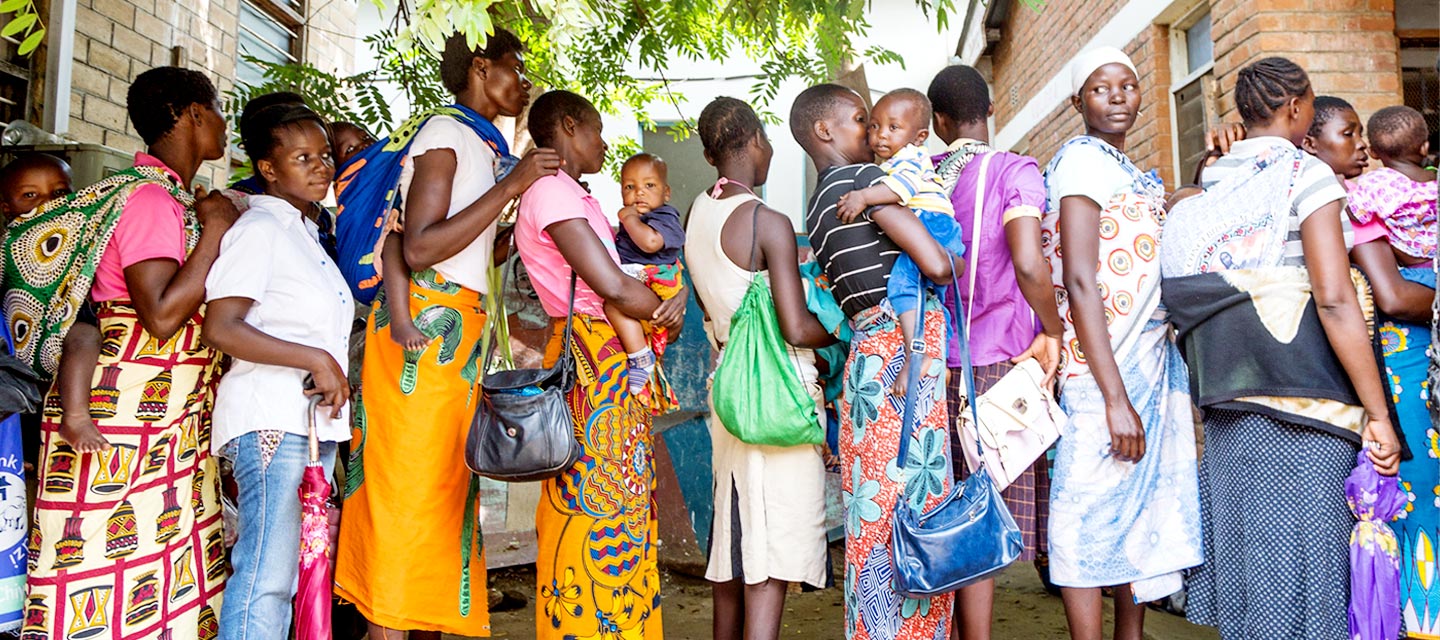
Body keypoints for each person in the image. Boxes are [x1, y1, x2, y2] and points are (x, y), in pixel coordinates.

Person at [1163, 57, 1402, 640]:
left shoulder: (1205, 188)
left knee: (1252, 573)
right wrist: (1378, 414)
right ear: (1296, 109)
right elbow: (1335, 298)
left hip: (1225, 407)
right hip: (1305, 408)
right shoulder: (1306, 175)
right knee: (1310, 572)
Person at [333, 29, 562, 639]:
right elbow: (422, 244)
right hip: (421, 335)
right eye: (515, 68)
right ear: (480, 68)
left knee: (441, 498)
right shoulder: (444, 135)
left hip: (455, 337)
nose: (524, 82)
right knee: (406, 495)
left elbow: (463, 246)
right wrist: (510, 188)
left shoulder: (482, 145)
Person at [16, 65, 240, 637]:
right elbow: (161, 315)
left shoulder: (167, 194)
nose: (223, 123)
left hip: (166, 422)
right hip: (126, 415)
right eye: (217, 109)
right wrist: (214, 232)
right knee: (100, 564)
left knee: (157, 573)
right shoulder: (149, 200)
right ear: (194, 114)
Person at [1040, 47, 1203, 640]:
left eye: (1129, 85)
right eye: (1101, 87)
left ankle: (1129, 634)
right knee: (1083, 514)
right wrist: (1114, 397)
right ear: (1077, 100)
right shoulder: (1082, 161)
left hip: (1149, 366)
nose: (1117, 96)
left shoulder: (1125, 169)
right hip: (1102, 372)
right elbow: (1081, 278)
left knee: (1141, 509)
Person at [514, 89, 683, 639]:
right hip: (591, 356)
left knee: (624, 502)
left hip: (608, 351)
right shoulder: (551, 191)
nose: (604, 143)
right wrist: (663, 311)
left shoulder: (570, 194)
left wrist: (660, 311)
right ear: (568, 127)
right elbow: (609, 284)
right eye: (597, 130)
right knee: (596, 507)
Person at [790, 82, 955, 640]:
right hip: (904, 355)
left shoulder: (814, 209)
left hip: (864, 361)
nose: (876, 132)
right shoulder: (864, 183)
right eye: (864, 120)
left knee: (871, 513)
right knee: (917, 504)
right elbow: (934, 263)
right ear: (826, 131)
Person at [200, 103, 352, 639]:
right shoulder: (260, 227)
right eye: (302, 157)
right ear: (268, 168)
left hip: (307, 425)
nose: (321, 167)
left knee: (287, 576)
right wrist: (315, 359)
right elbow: (221, 325)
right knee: (266, 574)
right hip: (271, 419)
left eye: (325, 155)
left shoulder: (305, 233)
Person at [686, 96, 833, 640]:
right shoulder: (767, 221)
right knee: (770, 554)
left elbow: (710, 303)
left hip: (728, 385)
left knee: (734, 541)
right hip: (779, 393)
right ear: (755, 142)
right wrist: (847, 330)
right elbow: (796, 328)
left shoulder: (696, 213)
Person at [926, 64, 1064, 640]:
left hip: (934, 363)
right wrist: (1054, 328)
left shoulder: (923, 178)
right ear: (989, 109)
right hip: (1000, 364)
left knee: (946, 511)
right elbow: (1029, 262)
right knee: (980, 516)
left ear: (937, 122)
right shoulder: (1014, 171)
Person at [1346, 105, 1437, 639]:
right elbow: (1396, 298)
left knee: (1420, 492)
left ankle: (1420, 616)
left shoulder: (1370, 201)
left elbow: (1395, 297)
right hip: (1416, 369)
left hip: (1410, 366)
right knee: (1423, 487)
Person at [835, 88, 966, 394]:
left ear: (920, 136)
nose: (881, 135)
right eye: (875, 126)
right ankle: (940, 360)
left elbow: (899, 190)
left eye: (893, 128)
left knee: (902, 285)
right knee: (934, 299)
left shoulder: (910, 158)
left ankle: (914, 355)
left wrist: (863, 196)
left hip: (933, 224)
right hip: (936, 227)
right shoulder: (894, 160)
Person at [0, 155, 107, 457]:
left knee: (85, 336)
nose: (46, 203)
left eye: (59, 193)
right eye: (30, 195)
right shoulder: (8, 245)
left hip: (68, 331)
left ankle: (75, 417)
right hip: (18, 350)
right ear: (6, 207)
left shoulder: (82, 233)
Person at [602, 152, 685, 406]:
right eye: (630, 187)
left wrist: (628, 218)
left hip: (655, 278)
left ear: (666, 192)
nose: (639, 193)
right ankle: (640, 353)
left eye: (649, 185)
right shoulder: (639, 219)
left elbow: (650, 243)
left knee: (612, 300)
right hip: (642, 280)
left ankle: (639, 356)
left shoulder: (664, 217)